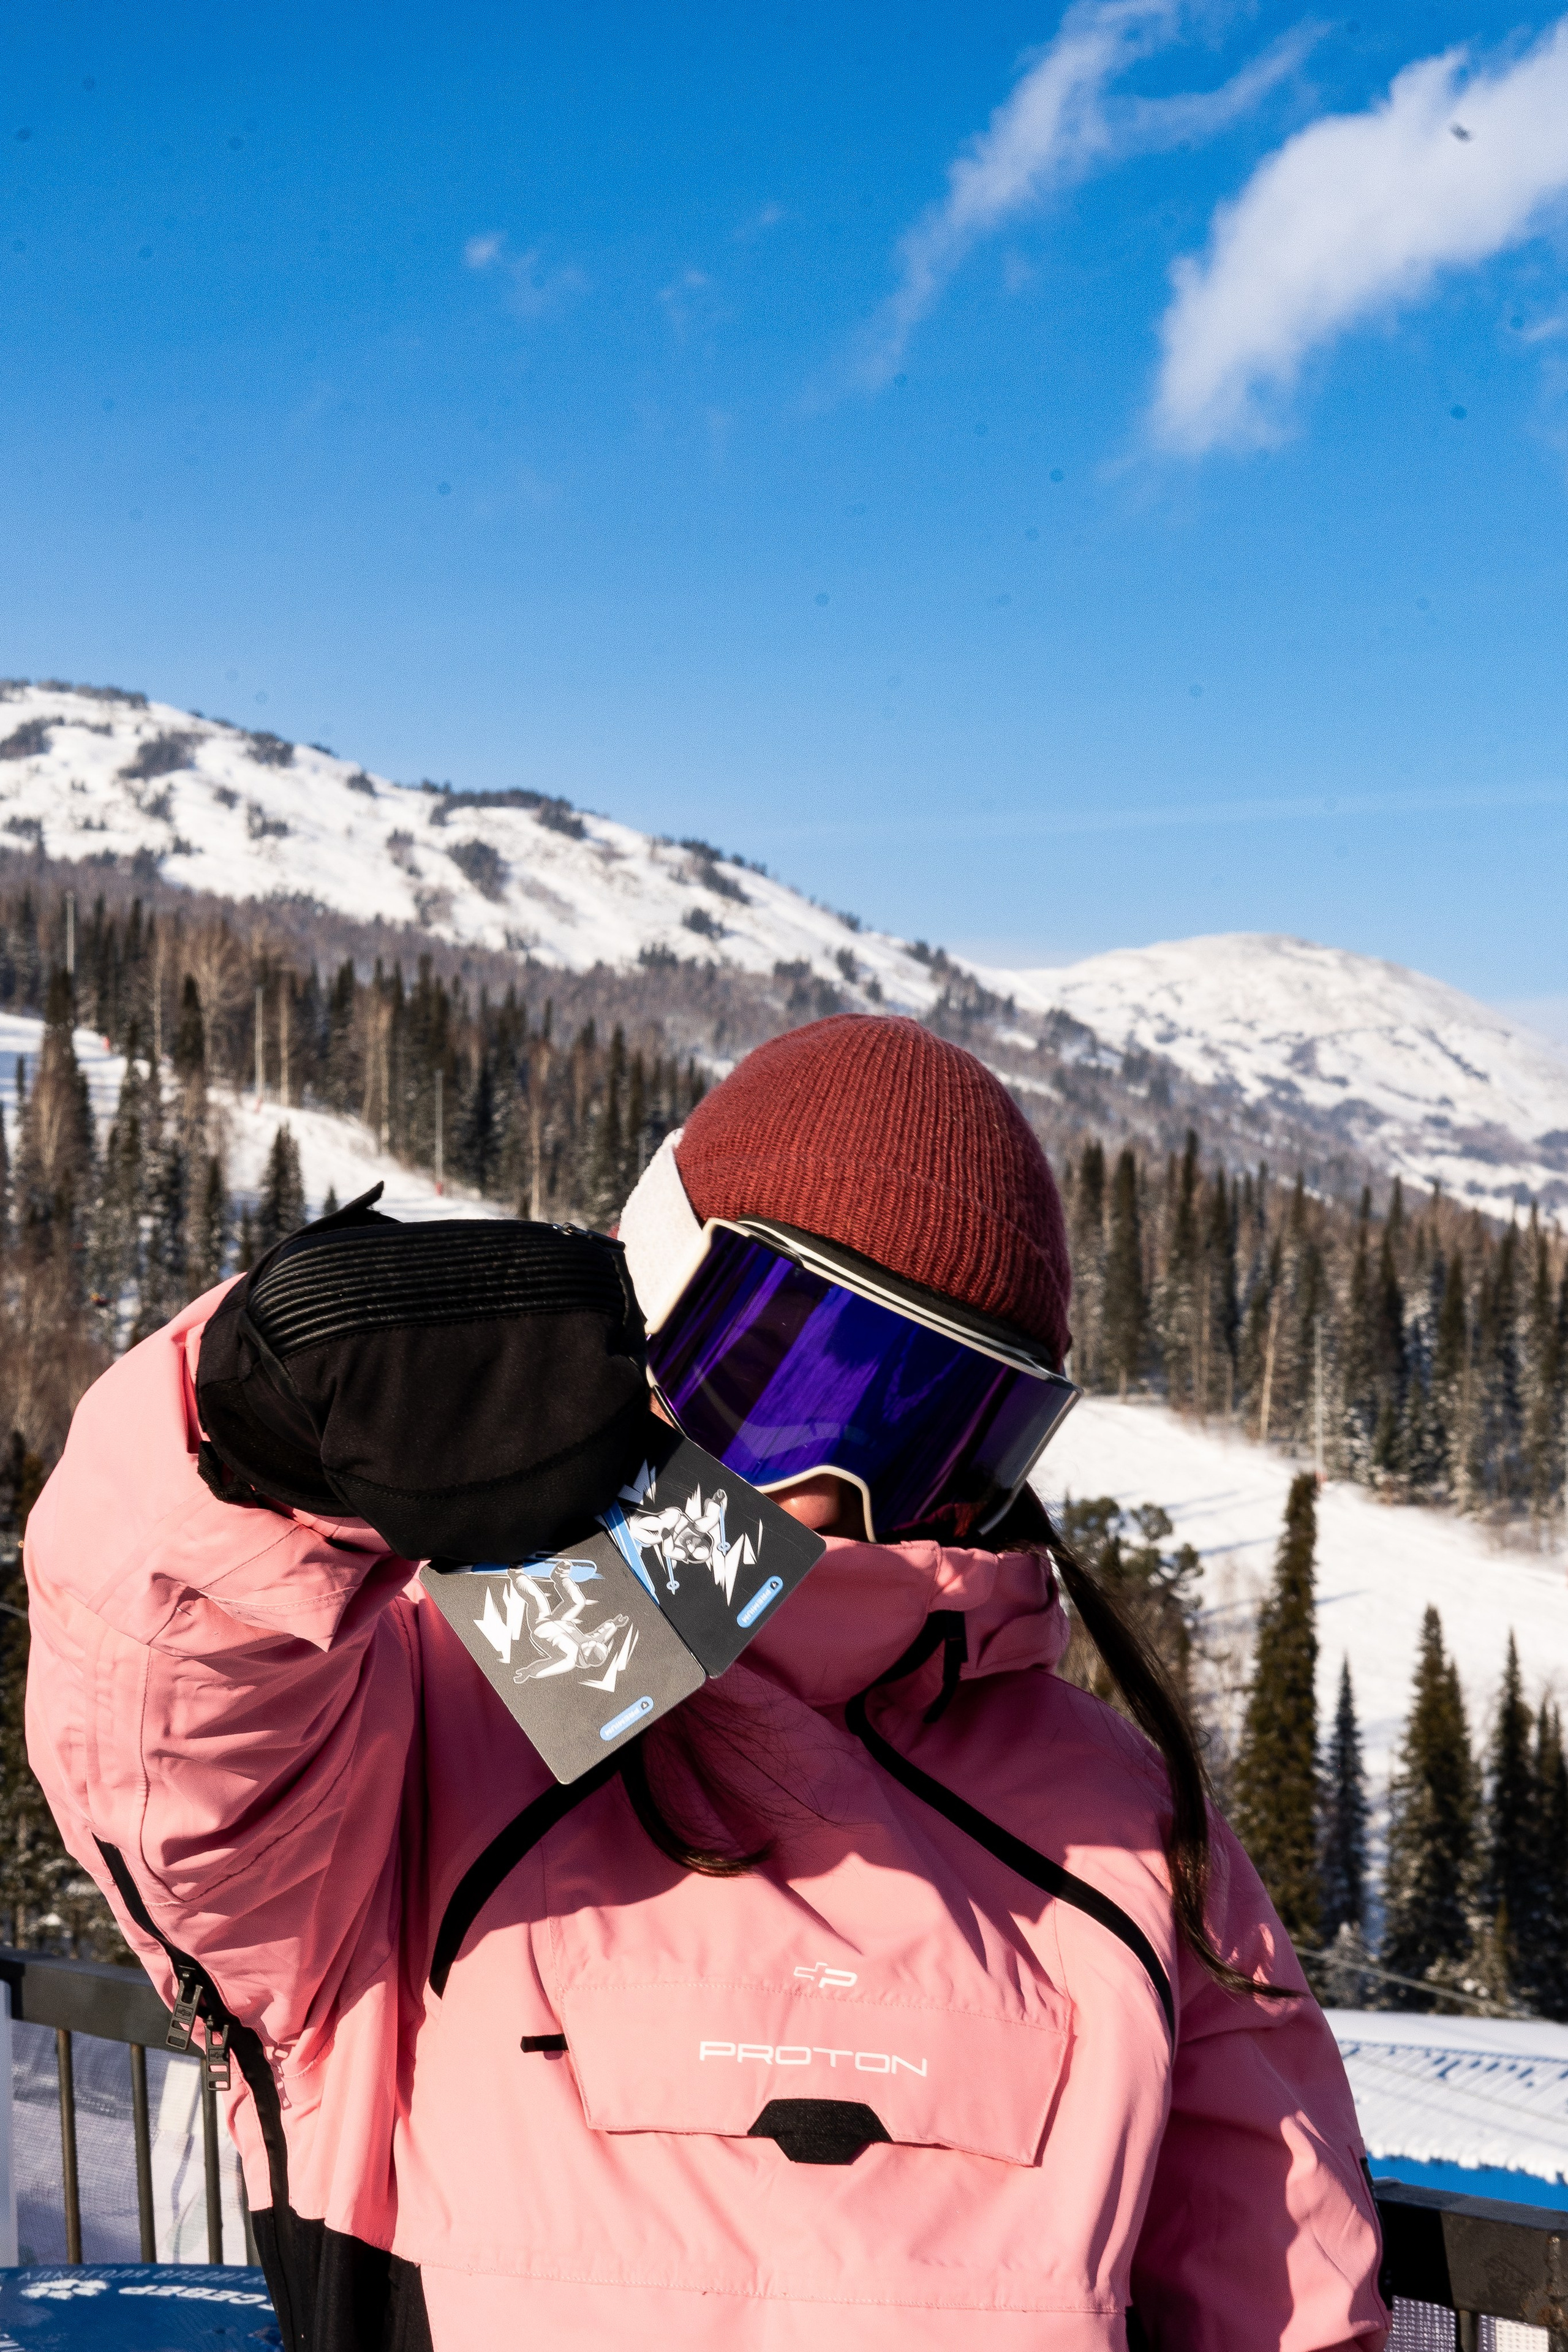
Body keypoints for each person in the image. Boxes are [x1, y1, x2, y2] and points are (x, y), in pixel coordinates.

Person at [24, 1014, 1387, 2352]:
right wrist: (244, 1447)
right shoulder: (415, 1730)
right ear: (656, 1303)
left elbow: (1284, 2293)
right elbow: (166, 1735)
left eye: (936, 1421)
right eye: (793, 1373)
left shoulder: (1120, 1822)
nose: (832, 1493)